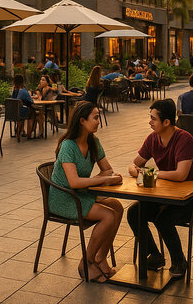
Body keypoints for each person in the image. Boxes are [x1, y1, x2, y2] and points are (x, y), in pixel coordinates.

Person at [49, 101, 123, 282]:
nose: (99, 121)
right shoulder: (68, 146)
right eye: (95, 117)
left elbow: (107, 168)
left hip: (81, 193)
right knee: (108, 215)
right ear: (82, 120)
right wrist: (102, 179)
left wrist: (104, 177)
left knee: (117, 207)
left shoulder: (93, 142)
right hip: (64, 197)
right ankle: (86, 262)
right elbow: (74, 182)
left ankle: (99, 258)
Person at [127, 99, 193, 278]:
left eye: (153, 119)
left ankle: (179, 261)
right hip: (162, 196)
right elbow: (134, 165)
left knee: (163, 218)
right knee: (135, 212)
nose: (150, 122)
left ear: (167, 122)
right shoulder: (152, 139)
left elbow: (181, 174)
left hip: (187, 200)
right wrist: (136, 171)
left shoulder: (184, 139)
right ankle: (155, 255)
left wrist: (150, 173)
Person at [11, 74, 35, 139]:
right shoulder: (22, 90)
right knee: (32, 113)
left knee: (22, 111)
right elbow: (31, 102)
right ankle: (28, 134)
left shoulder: (15, 90)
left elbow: (13, 100)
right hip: (22, 111)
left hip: (12, 112)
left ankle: (21, 131)